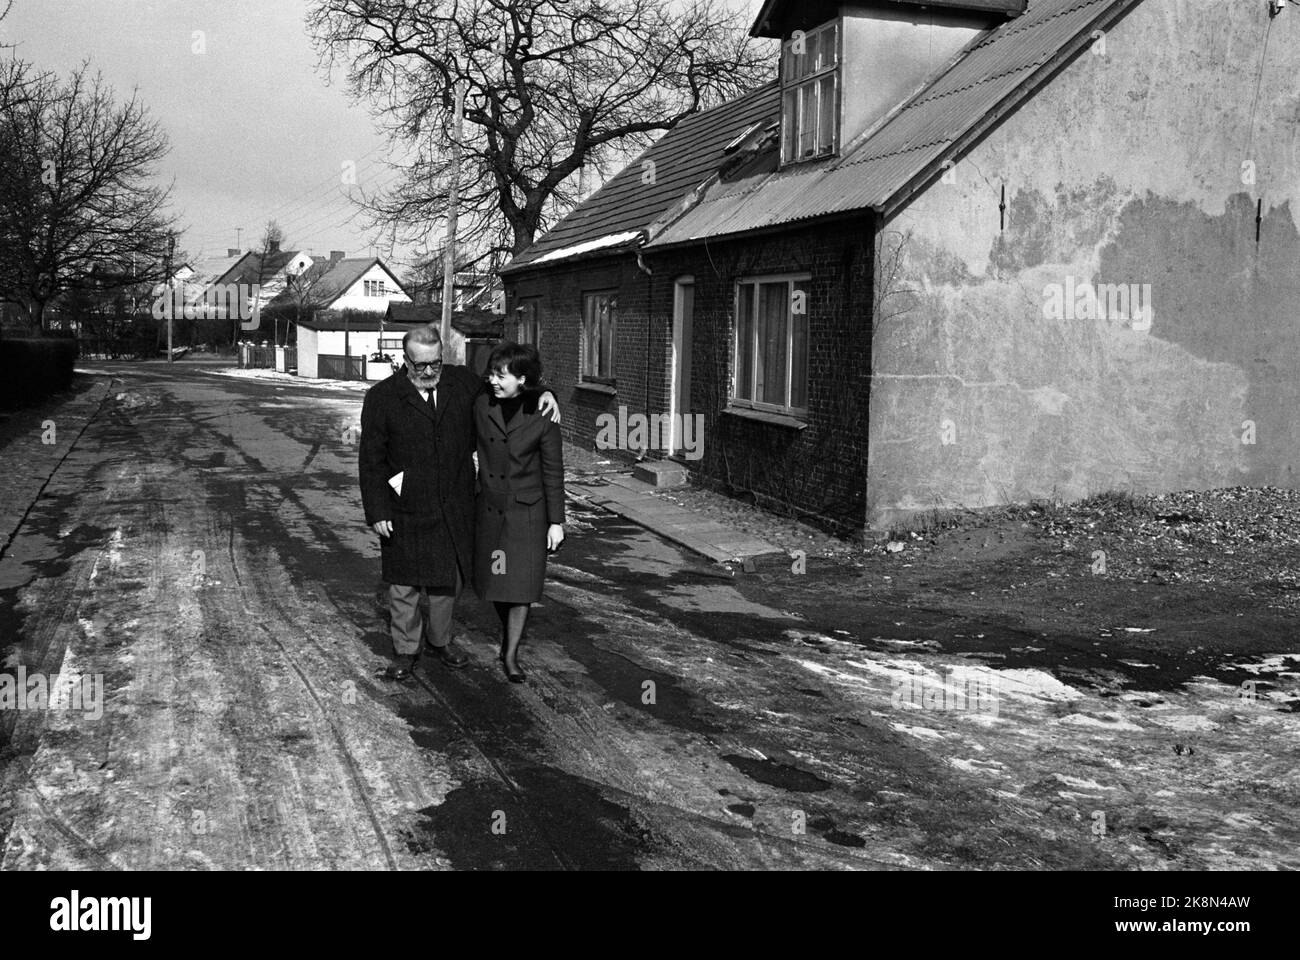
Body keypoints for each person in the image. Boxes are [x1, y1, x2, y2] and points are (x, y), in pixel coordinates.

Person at [358, 325, 558, 682]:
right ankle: (406, 651)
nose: (428, 372)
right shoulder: (382, 397)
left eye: (434, 363)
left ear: (442, 357)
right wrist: (377, 511)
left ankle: (440, 641)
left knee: (445, 583)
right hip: (405, 505)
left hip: (454, 503)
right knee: (403, 584)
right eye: (420, 366)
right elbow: (371, 460)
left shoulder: (462, 383)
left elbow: (509, 385)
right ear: (405, 361)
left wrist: (544, 392)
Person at [473, 342, 565, 683]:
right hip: (490, 508)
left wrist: (556, 522)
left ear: (521, 380)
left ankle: (510, 654)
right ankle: (507, 633)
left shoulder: (543, 414)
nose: (493, 381)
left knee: (522, 587)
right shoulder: (481, 403)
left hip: (527, 514)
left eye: (501, 376)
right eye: (492, 374)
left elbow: (553, 471)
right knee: (496, 583)